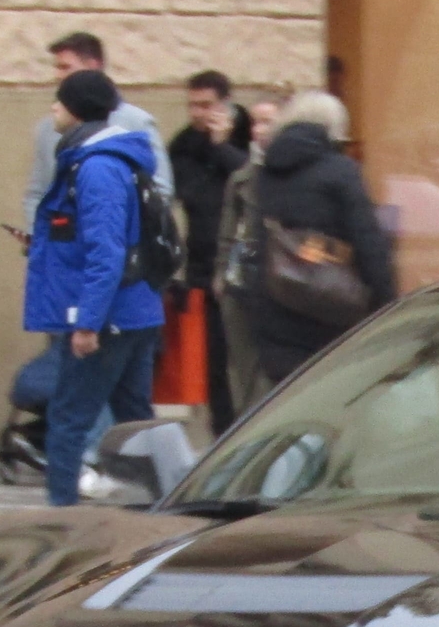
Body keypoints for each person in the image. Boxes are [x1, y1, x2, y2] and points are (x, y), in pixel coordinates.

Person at [26, 69, 166, 507]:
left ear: (77, 109)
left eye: (59, 100)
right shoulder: (104, 160)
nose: (53, 107)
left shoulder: (98, 168)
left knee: (68, 419)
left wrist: (88, 323)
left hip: (109, 316)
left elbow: (106, 252)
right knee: (135, 422)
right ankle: (165, 507)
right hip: (132, 310)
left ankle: (62, 516)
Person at [247, 90, 395, 386]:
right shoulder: (341, 172)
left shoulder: (265, 174)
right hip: (329, 310)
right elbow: (369, 242)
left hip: (275, 304)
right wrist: (386, 302)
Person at [17, 31, 167, 238]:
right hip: (62, 255)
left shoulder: (136, 122)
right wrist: (42, 238)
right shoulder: (48, 129)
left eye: (65, 67)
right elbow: (38, 193)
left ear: (93, 66)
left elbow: (160, 190)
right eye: (56, 67)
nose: (57, 75)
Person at [168, 70, 250, 430]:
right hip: (202, 268)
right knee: (213, 362)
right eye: (192, 105)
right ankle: (222, 434)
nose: (198, 113)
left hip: (244, 267)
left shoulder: (248, 137)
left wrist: (222, 147)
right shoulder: (182, 147)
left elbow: (251, 182)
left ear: (226, 105)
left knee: (246, 361)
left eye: (206, 105)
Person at [215, 97, 281, 412]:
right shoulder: (242, 177)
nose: (259, 130)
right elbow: (229, 231)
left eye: (268, 121)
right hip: (240, 283)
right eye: (255, 122)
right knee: (243, 371)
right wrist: (221, 273)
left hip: (280, 283)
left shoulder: (288, 175)